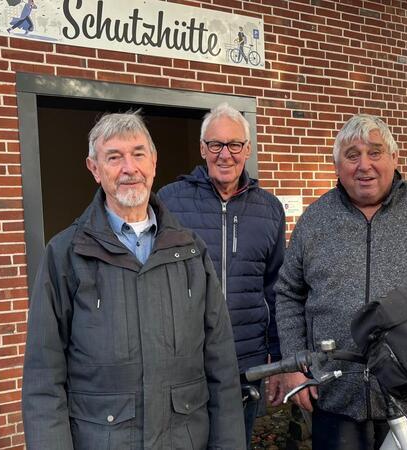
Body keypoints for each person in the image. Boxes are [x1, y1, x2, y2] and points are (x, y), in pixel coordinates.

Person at [22, 111, 245, 449]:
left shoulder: (190, 252)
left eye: (138, 154)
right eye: (114, 157)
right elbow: (43, 380)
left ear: (153, 162)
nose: (129, 168)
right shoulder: (65, 255)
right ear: (94, 169)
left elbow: (222, 368)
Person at [275, 114, 407, 450]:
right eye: (352, 155)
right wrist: (294, 365)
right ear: (337, 166)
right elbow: (288, 292)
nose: (364, 165)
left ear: (394, 157)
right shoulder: (315, 219)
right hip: (337, 394)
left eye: (375, 152)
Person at [158, 103, 286, 448]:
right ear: (203, 149)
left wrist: (279, 361)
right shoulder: (168, 201)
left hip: (245, 365)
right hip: (185, 364)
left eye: (234, 145)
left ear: (247, 149)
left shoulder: (269, 210)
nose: (224, 154)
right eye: (215, 144)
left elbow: (276, 289)